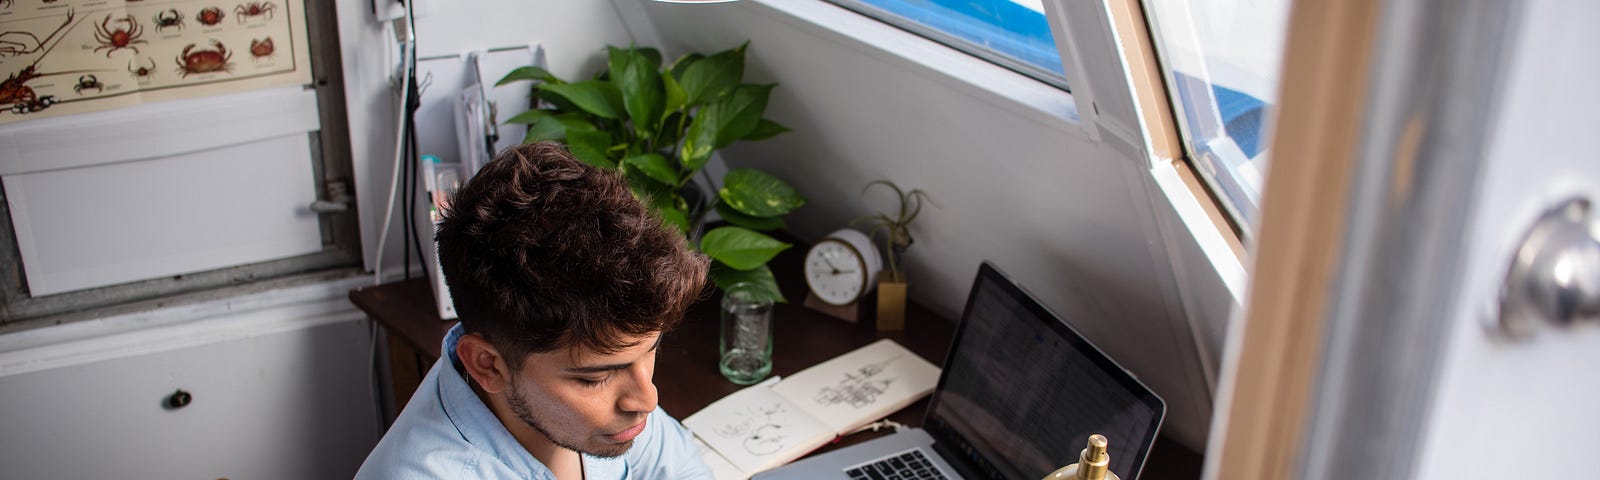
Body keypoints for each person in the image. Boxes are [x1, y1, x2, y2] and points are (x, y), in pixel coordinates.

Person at [356, 142, 714, 479]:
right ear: (487, 365)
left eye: (651, 350)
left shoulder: (608, 389)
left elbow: (681, 469)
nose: (648, 399)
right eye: (594, 379)